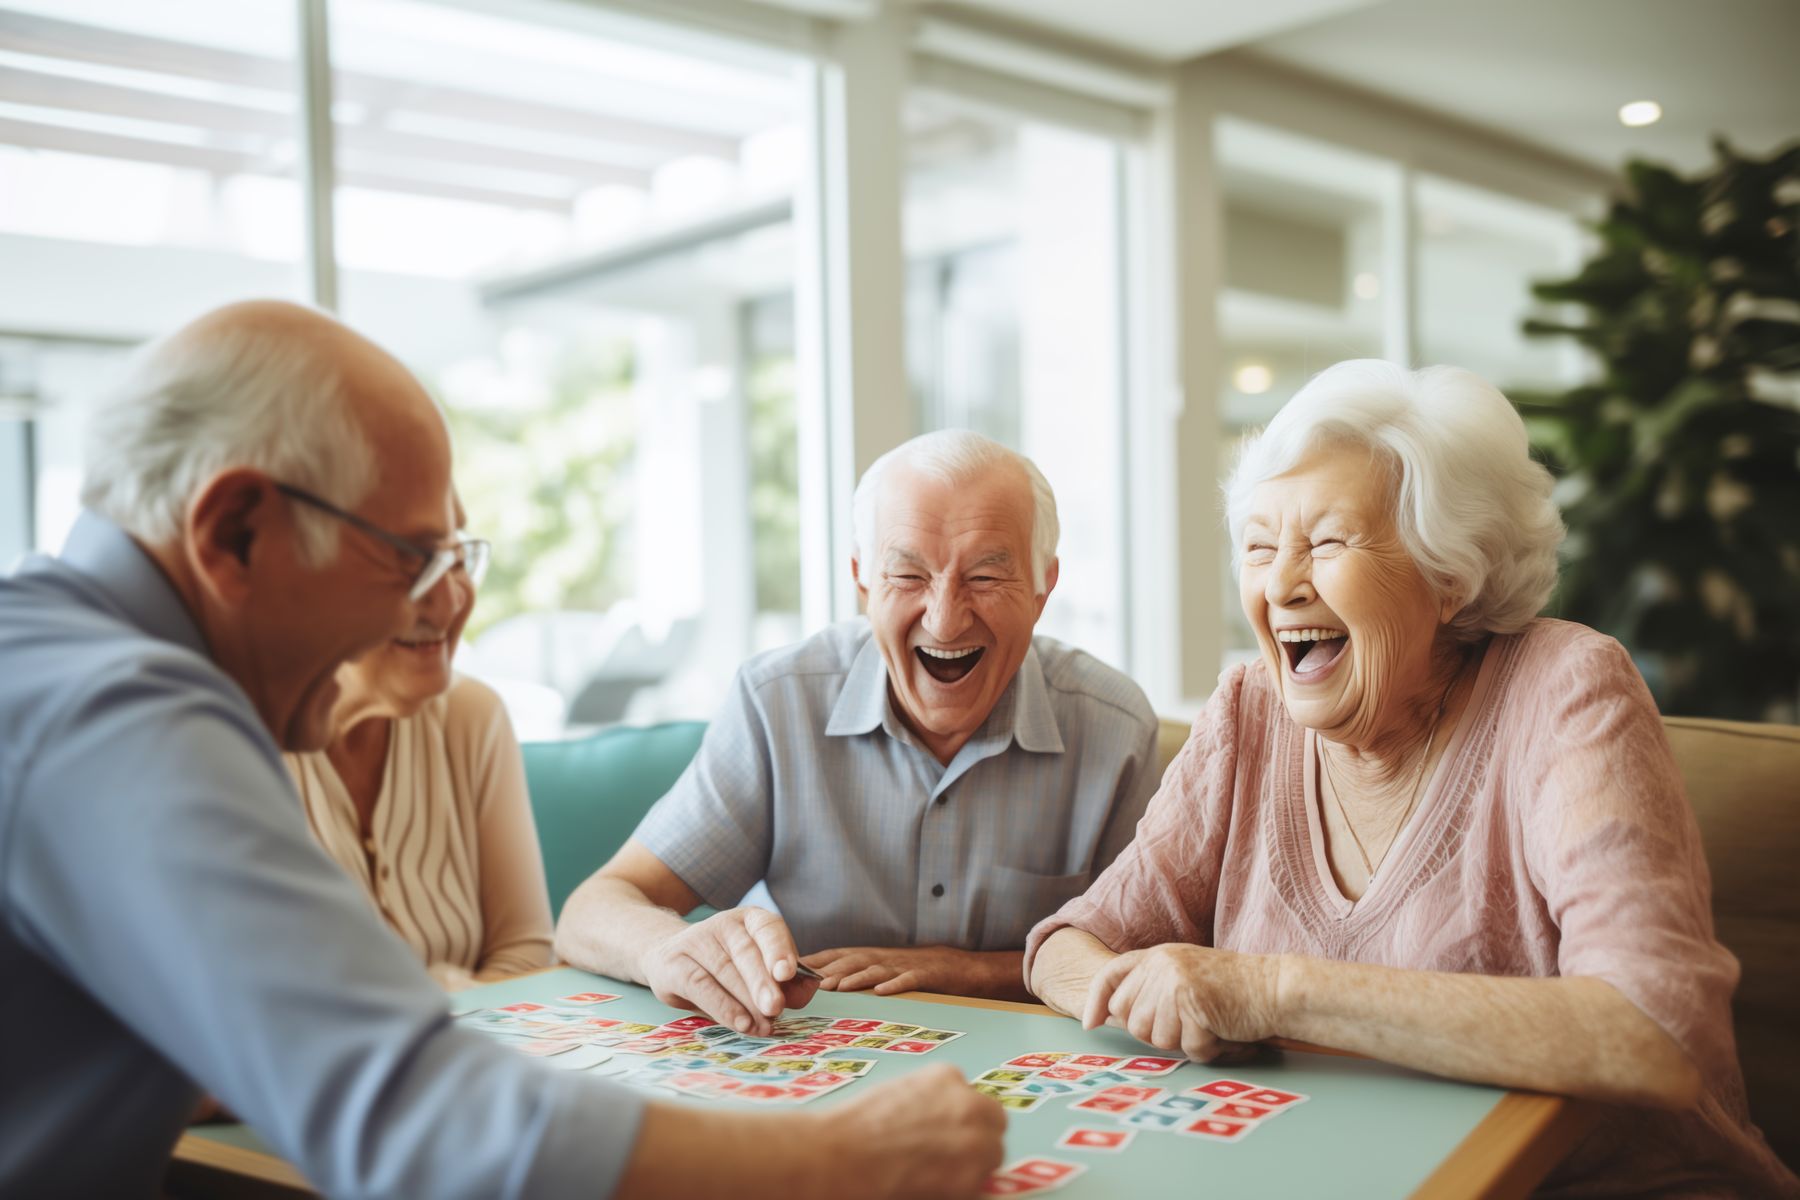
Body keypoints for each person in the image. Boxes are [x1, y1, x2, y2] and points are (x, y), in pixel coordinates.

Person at [0, 300, 1003, 1198]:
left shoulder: (56, 661)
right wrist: (850, 1162)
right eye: (405, 557)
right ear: (236, 534)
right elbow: (418, 1123)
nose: (433, 608)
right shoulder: (117, 710)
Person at [1024, 360, 1798, 1196]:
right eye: (1258, 547)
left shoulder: (1566, 689)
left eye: (1325, 543)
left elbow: (1658, 1035)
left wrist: (1268, 991)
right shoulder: (1250, 709)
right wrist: (1154, 999)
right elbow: (1066, 947)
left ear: (1449, 573)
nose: (1281, 584)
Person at [555, 430, 1159, 1036]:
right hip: (807, 1067)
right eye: (908, 576)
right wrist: (673, 949)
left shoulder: (1113, 727)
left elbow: (1138, 965)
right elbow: (593, 910)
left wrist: (965, 972)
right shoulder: (778, 702)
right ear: (863, 583)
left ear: (1041, 588)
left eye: (984, 577)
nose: (945, 618)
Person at [284, 495, 553, 991]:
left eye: (457, 559)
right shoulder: (233, 747)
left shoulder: (473, 717)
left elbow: (528, 956)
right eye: (416, 563)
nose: (453, 598)